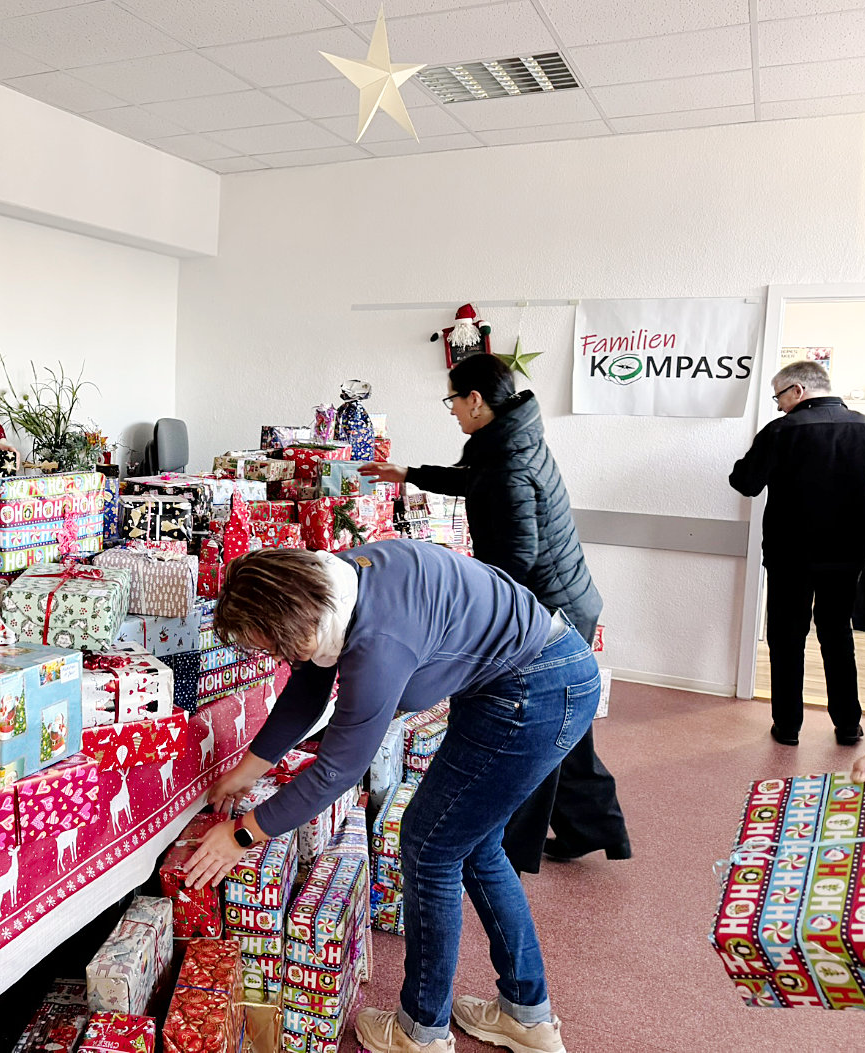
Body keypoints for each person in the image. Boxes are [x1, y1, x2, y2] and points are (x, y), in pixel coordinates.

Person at [184, 543, 596, 1053]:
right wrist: (250, 768)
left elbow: (338, 769)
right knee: (476, 846)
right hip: (525, 678)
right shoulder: (335, 584)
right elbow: (308, 686)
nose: (273, 657)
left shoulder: (378, 647)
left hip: (535, 693)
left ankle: (421, 1033)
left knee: (432, 849)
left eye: (272, 647)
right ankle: (526, 1016)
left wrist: (243, 834)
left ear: (292, 625)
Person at [364, 354, 629, 871]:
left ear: (477, 400)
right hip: (563, 595)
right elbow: (476, 481)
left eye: (453, 401)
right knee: (566, 727)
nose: (452, 412)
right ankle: (594, 827)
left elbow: (516, 559)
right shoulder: (510, 439)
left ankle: (509, 849)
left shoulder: (508, 459)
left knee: (537, 725)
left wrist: (465, 599)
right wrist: (410, 473)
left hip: (553, 608)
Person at [730, 358, 865, 747]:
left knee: (786, 638)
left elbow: (745, 483)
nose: (778, 405)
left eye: (779, 396)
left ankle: (788, 727)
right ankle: (848, 726)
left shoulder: (782, 430)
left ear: (798, 390)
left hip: (789, 555)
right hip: (848, 556)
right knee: (837, 635)